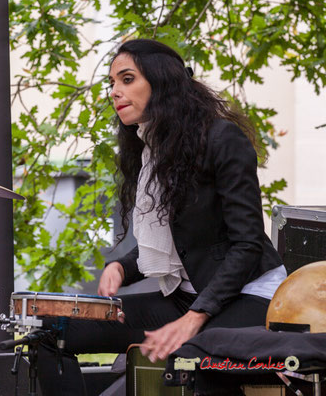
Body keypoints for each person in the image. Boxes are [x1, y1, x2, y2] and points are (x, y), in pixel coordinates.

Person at [36, 38, 286, 395]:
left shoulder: (222, 139)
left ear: (162, 82)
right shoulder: (151, 146)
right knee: (51, 331)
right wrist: (122, 266)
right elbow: (174, 243)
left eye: (126, 79)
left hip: (250, 296)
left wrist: (194, 319)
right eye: (112, 83)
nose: (114, 91)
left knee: (191, 356)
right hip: (188, 298)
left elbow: (246, 245)